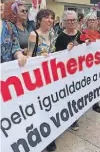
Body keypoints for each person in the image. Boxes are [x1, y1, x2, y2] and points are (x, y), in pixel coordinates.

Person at [27, 9, 56, 151]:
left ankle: (50, 136)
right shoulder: (34, 35)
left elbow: (54, 52)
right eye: (46, 17)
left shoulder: (52, 34)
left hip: (50, 76)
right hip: (37, 78)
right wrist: (39, 59)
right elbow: (29, 57)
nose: (50, 20)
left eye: (52, 18)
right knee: (40, 108)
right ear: (39, 20)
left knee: (49, 106)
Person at [0, 0, 27, 66]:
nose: (0, 5)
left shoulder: (9, 26)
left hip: (7, 72)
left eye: (2, 2)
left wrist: (19, 55)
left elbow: (15, 47)